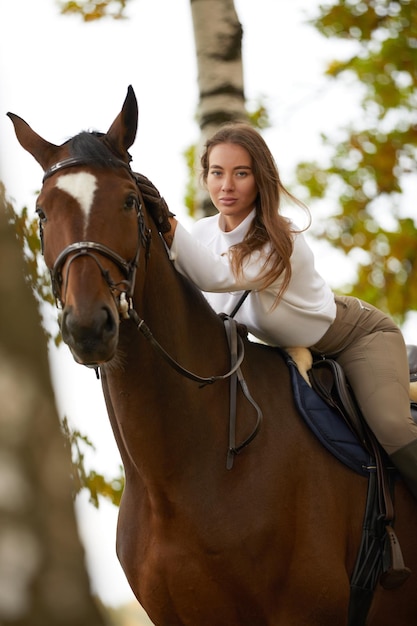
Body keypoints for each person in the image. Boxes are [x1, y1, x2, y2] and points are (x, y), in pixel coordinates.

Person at [137, 122, 417, 500]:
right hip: (292, 349)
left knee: (391, 427)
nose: (226, 186)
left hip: (355, 338)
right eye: (217, 173)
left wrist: (167, 223)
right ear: (205, 177)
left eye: (241, 173)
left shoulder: (279, 239)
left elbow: (217, 276)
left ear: (260, 179)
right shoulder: (201, 235)